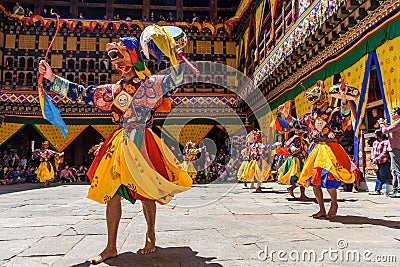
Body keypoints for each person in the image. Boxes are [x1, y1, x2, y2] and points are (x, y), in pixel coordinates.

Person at [38, 30, 192, 263]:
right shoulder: (112, 90)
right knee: (112, 193)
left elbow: (179, 78)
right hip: (120, 142)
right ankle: (111, 246)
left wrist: (175, 56)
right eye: (113, 57)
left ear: (134, 56)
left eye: (121, 55)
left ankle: (150, 235)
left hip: (142, 140)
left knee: (147, 192)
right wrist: (52, 79)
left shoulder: (151, 84)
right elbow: (84, 93)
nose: (117, 61)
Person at [278, 79, 356, 219]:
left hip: (329, 148)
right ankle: (321, 208)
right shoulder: (310, 117)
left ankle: (334, 203)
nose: (317, 104)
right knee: (315, 179)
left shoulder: (334, 112)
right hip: (315, 149)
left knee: (329, 177)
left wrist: (343, 98)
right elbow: (296, 124)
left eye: (318, 101)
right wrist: (285, 113)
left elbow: (345, 115)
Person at [277, 133, 311, 201]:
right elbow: (291, 146)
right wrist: (294, 149)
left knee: (302, 177)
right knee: (301, 177)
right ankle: (293, 189)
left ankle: (301, 193)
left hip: (301, 160)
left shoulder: (302, 139)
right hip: (297, 160)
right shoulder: (296, 139)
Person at [380, 107, 400, 197]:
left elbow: (385, 131)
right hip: (394, 148)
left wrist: (381, 124)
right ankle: (396, 189)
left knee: (396, 169)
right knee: (394, 169)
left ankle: (398, 189)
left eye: (392, 113)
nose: (391, 115)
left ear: (397, 113)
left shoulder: (398, 122)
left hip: (396, 148)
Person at [369, 130, 390, 195]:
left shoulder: (386, 142)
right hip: (376, 162)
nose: (374, 135)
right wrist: (373, 158)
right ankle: (377, 189)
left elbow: (385, 152)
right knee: (378, 176)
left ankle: (379, 189)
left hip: (384, 161)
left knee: (382, 175)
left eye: (375, 134)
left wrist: (377, 158)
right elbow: (372, 151)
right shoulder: (375, 142)